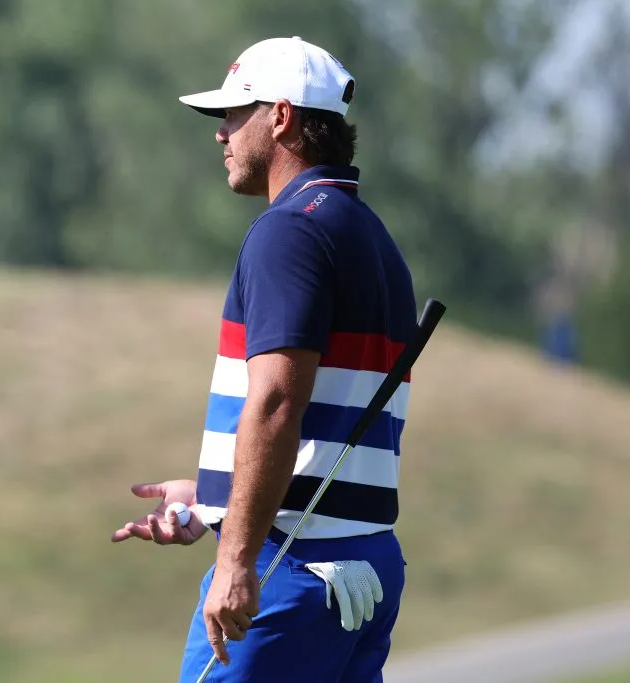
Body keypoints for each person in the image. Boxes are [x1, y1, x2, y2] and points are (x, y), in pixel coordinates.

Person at [111, 37, 417, 682]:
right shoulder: (368, 232)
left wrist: (236, 558)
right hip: (366, 560)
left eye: (232, 114)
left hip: (292, 570)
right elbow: (326, 417)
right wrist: (215, 498)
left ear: (280, 117)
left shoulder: (290, 229)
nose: (221, 134)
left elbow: (278, 401)